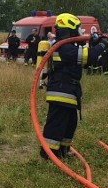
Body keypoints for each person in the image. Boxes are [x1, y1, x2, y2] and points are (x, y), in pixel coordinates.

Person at [39, 13, 104, 160]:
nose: (80, 32)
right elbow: (88, 57)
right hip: (61, 91)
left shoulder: (67, 45)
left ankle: (63, 151)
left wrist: (94, 43)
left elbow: (85, 61)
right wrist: (101, 45)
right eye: (78, 29)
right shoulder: (63, 46)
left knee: (69, 123)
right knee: (56, 124)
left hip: (69, 90)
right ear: (70, 30)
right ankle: (48, 155)